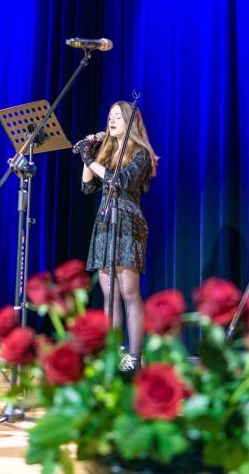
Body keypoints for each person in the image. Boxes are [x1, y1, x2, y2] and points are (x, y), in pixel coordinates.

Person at [78, 101, 157, 372]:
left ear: (130, 122)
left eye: (118, 117)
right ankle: (111, 354)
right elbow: (88, 187)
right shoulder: (109, 151)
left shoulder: (141, 153)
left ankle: (135, 356)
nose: (111, 121)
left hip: (127, 223)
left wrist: (91, 161)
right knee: (109, 295)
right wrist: (88, 155)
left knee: (129, 293)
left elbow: (120, 181)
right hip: (105, 223)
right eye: (109, 116)